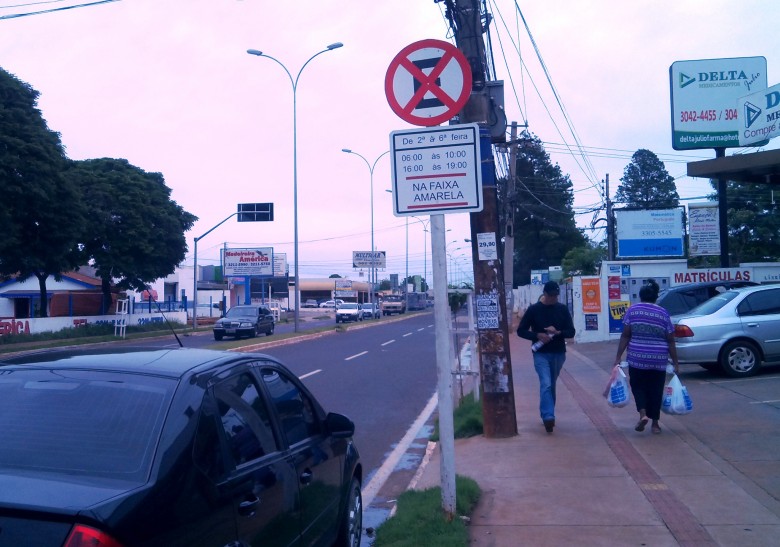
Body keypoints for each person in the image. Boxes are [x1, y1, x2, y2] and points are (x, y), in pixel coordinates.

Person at [613, 279, 680, 434]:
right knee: (656, 389)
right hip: (658, 360)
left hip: (637, 358)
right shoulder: (663, 313)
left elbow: (625, 335)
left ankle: (643, 414)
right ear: (656, 297)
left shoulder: (633, 310)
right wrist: (676, 362)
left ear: (640, 296)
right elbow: (670, 340)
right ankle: (655, 424)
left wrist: (618, 357)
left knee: (638, 387)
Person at [516, 281, 576, 433]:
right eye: (551, 296)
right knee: (546, 383)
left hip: (558, 353)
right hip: (540, 353)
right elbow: (521, 331)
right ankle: (549, 417)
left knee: (551, 384)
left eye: (556, 296)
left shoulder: (562, 309)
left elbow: (571, 331)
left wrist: (558, 332)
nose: (554, 299)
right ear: (545, 294)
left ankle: (546, 413)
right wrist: (537, 335)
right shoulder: (534, 310)